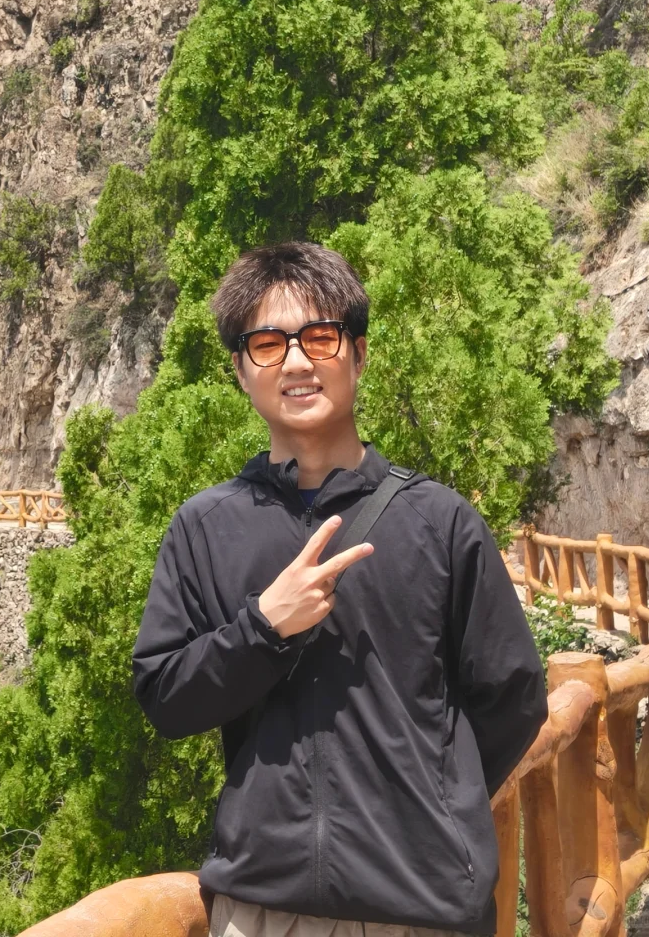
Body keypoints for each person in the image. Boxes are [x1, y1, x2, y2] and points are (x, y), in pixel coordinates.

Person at [133, 242, 547, 937]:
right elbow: (167, 698)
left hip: (422, 910)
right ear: (240, 369)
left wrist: (436, 811)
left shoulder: (440, 522)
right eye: (267, 343)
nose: (296, 362)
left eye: (319, 337)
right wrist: (262, 629)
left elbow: (512, 695)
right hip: (264, 908)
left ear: (356, 353)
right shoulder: (205, 526)